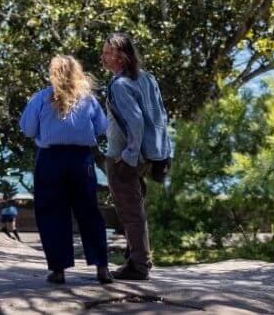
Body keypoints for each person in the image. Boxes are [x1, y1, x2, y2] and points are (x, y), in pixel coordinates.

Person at [19, 55, 113, 285]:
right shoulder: (88, 100)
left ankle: (59, 270)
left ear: (53, 74)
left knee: (52, 213)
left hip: (50, 159)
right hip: (81, 160)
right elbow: (102, 127)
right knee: (89, 212)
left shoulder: (41, 98)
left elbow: (28, 129)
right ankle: (102, 267)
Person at [102, 33, 172, 281]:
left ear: (122, 56)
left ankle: (139, 265)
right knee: (136, 208)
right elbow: (160, 116)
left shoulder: (120, 85)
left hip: (124, 156)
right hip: (149, 155)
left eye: (109, 52)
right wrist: (163, 151)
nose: (104, 56)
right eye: (104, 51)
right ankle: (137, 259)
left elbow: (137, 121)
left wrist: (128, 156)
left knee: (130, 210)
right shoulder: (148, 78)